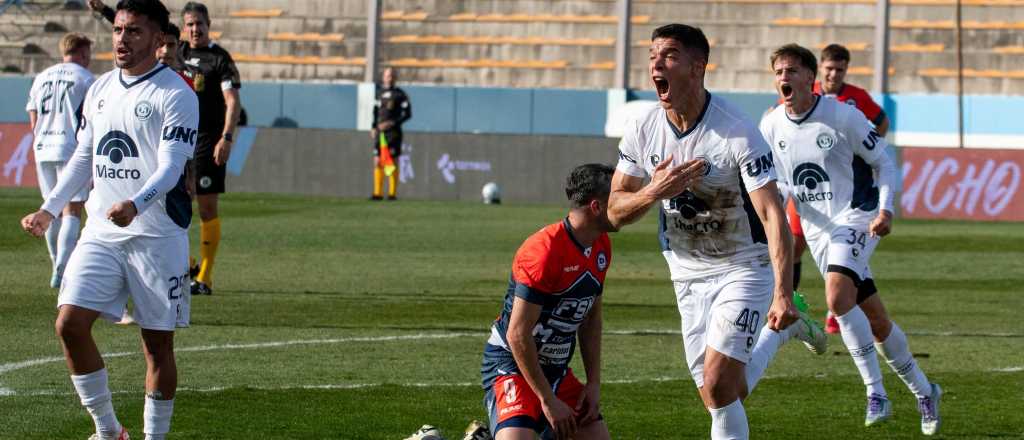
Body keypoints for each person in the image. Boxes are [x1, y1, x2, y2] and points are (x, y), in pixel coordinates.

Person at [608, 24, 826, 440]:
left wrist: (782, 291)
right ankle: (781, 335)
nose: (656, 62)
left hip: (743, 266)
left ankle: (783, 317)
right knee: (722, 392)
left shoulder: (737, 130)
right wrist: (656, 190)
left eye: (669, 54)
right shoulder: (642, 126)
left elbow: (772, 215)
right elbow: (615, 212)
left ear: (697, 67)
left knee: (719, 382)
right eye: (653, 54)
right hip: (686, 271)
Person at [19, 1, 198, 440]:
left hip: (156, 237)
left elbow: (172, 167)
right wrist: (49, 206)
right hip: (101, 232)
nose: (122, 39)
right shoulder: (99, 88)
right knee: (69, 324)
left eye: (134, 31)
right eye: (118, 30)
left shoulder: (176, 93)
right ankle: (108, 431)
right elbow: (84, 157)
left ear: (159, 41)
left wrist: (136, 203)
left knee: (157, 347)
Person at [760, 43, 941, 435]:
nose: (783, 78)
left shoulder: (843, 116)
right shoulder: (772, 125)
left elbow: (885, 162)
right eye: (778, 72)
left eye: (791, 71)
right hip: (818, 228)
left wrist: (886, 210)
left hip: (857, 215)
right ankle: (925, 391)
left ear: (811, 78)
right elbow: (776, 183)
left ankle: (875, 392)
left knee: (837, 298)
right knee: (876, 320)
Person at [481, 164, 616, 440]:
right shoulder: (543, 251)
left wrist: (593, 384)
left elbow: (590, 319)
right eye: (620, 197)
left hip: (556, 371)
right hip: (512, 364)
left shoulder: (601, 245)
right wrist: (548, 400)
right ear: (597, 207)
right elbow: (517, 334)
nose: (628, 204)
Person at [790, 44, 893, 333]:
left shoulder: (856, 98)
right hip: (807, 186)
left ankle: (836, 308)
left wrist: (862, 150)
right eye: (829, 68)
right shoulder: (804, 94)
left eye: (840, 69)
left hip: (842, 193)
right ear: (820, 69)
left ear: (846, 70)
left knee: (842, 251)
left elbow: (881, 121)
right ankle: (792, 305)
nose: (834, 74)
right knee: (793, 246)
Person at [178, 1, 241, 295]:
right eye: (189, 24)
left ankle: (204, 276)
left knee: (206, 208)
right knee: (170, 205)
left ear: (208, 24)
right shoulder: (177, 52)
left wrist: (226, 138)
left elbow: (232, 101)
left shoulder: (219, 59)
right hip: (178, 140)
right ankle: (186, 263)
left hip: (207, 143)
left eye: (199, 24)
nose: (194, 29)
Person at [25, 32, 95, 289]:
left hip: (43, 147)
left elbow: (33, 117)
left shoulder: (42, 76)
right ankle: (62, 267)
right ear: (83, 52)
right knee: (72, 209)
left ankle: (55, 260)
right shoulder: (86, 78)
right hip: (71, 148)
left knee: (49, 208)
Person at [370, 66, 411, 201]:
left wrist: (392, 123)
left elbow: (407, 114)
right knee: (377, 161)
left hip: (393, 133)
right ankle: (377, 193)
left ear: (395, 78)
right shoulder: (379, 93)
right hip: (380, 132)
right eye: (388, 75)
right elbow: (375, 112)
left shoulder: (401, 95)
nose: (390, 78)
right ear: (383, 77)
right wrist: (373, 127)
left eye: (392, 75)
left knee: (392, 162)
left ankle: (392, 194)